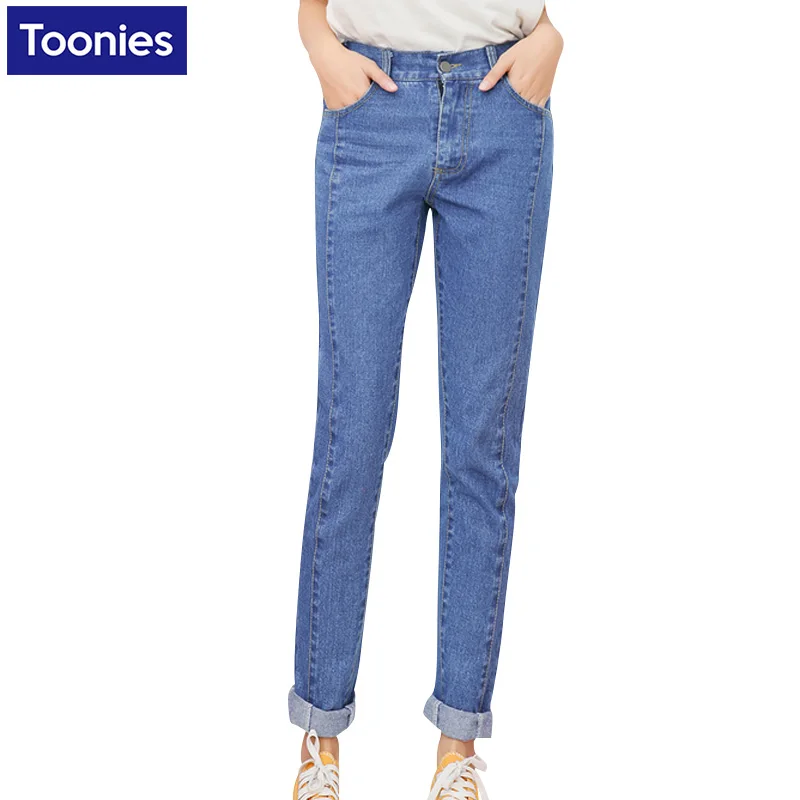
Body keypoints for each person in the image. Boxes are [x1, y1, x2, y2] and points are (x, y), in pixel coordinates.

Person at [290, 1, 563, 797]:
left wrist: (553, 35)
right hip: (370, 108)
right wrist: (315, 40)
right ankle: (320, 733)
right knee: (351, 433)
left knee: (484, 444)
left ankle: (457, 747)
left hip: (503, 106)